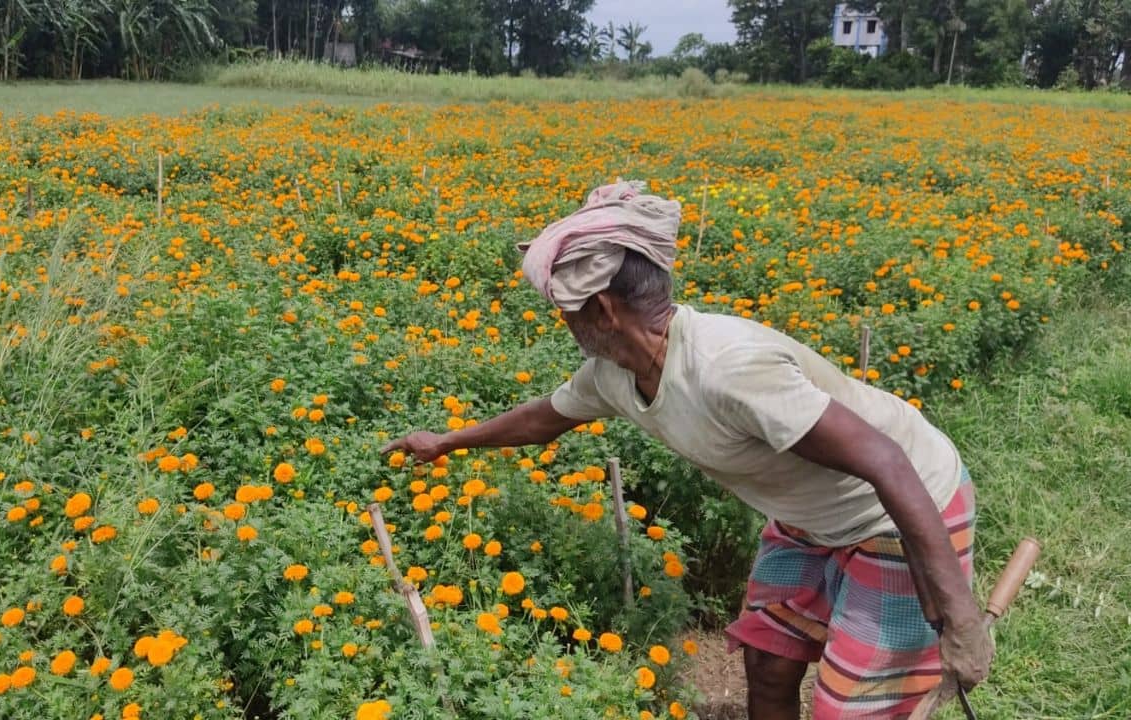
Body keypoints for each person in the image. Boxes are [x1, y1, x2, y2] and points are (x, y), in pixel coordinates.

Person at [382, 181, 993, 719]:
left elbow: (889, 463)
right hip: (811, 518)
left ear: (602, 309)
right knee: (769, 661)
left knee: (851, 708)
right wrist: (447, 443)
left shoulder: (727, 369)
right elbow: (543, 419)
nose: (562, 324)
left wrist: (961, 621)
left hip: (900, 509)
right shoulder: (615, 373)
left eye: (565, 312)